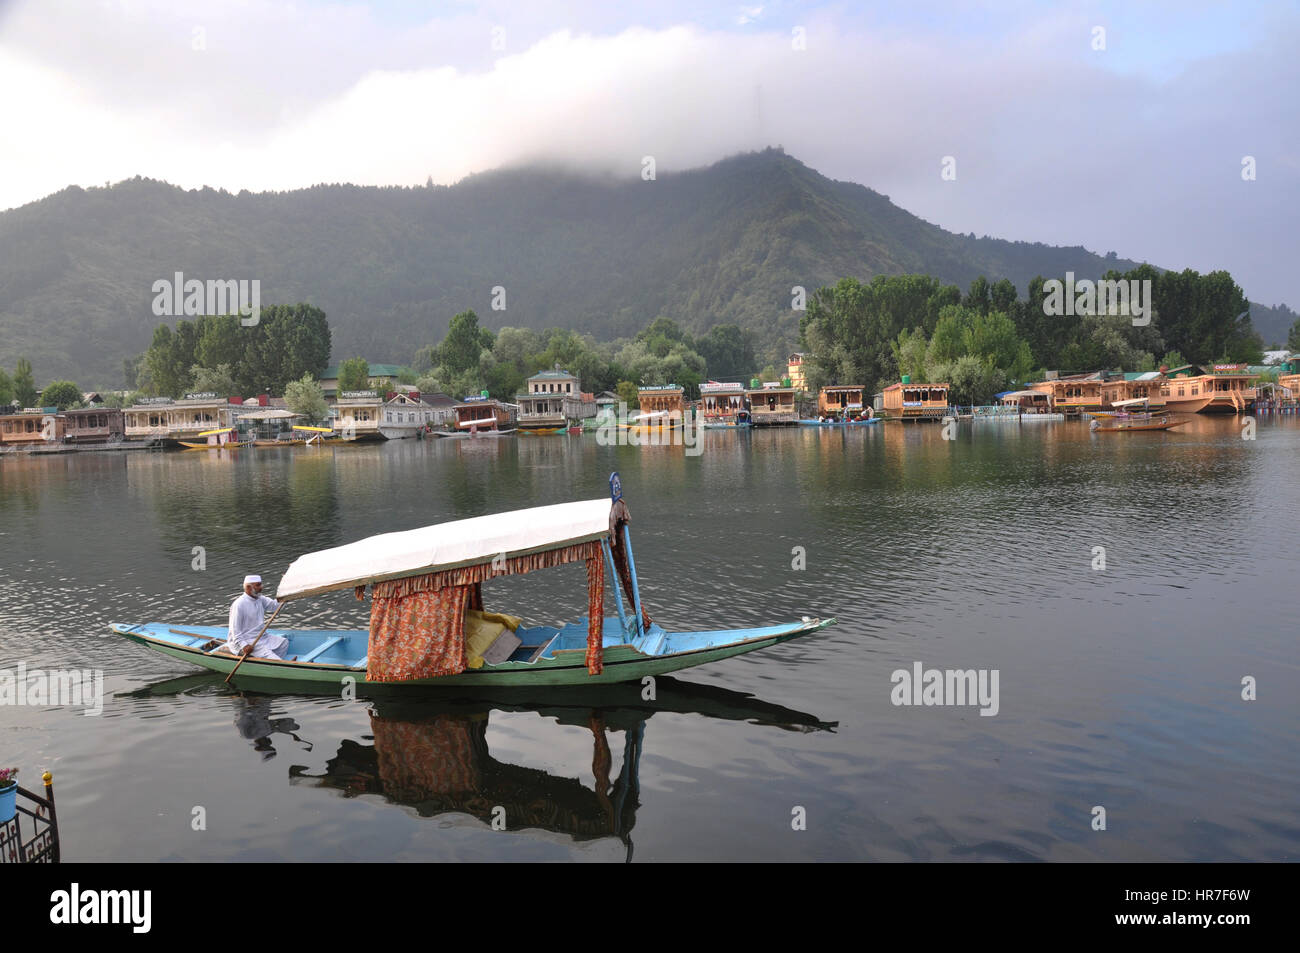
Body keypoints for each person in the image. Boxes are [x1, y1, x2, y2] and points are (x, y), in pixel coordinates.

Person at [226, 574, 290, 659]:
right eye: (258, 585)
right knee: (272, 657)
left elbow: (275, 606)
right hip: (248, 640)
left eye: (261, 584)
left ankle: (276, 662)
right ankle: (278, 663)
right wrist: (244, 646)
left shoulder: (260, 598)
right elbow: (235, 631)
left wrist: (286, 596)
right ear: (249, 587)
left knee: (284, 643)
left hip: (261, 636)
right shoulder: (239, 604)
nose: (261, 587)